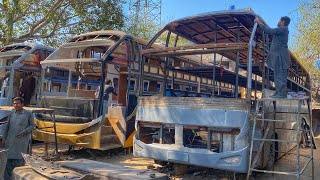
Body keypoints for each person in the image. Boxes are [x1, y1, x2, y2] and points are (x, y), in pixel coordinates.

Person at [254, 16, 291, 98]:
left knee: (280, 75)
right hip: (280, 57)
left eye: (279, 20)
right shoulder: (282, 31)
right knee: (278, 74)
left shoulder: (282, 29)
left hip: (280, 57)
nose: (278, 22)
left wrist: (258, 22)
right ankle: (279, 92)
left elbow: (268, 30)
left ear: (282, 21)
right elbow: (270, 30)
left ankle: (280, 94)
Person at [2, 97, 34, 179]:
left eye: (18, 103)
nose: (16, 105)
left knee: (19, 162)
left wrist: (26, 131)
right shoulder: (11, 113)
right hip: (10, 141)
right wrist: (4, 138)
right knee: (8, 161)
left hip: (21, 142)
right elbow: (7, 127)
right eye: (14, 103)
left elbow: (32, 126)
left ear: (22, 104)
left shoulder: (28, 113)